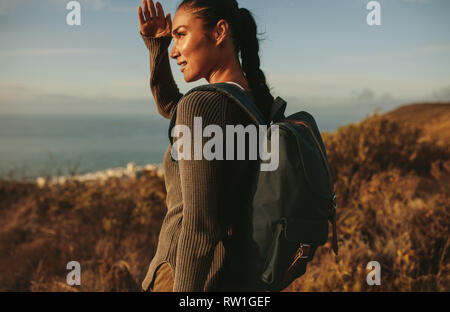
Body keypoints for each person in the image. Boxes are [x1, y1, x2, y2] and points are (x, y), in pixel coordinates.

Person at [138, 0, 274, 292]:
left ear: (220, 32)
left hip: (186, 278)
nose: (174, 50)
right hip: (237, 275)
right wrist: (158, 48)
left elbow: (200, 229)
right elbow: (173, 109)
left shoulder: (202, 105)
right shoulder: (254, 102)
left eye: (181, 34)